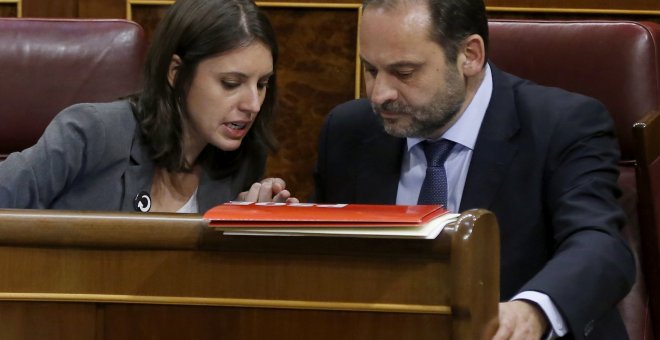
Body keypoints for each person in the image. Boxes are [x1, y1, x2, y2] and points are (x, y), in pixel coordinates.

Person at [313, 0, 635, 338]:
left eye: (403, 72)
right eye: (370, 69)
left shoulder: (560, 126)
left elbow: (599, 244)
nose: (379, 94)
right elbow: (326, 257)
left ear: (470, 55)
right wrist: (272, 220)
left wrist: (532, 311)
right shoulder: (348, 131)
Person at [0, 0, 296, 212]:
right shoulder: (90, 134)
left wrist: (245, 227)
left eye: (262, 84)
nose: (254, 105)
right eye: (231, 84)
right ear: (176, 73)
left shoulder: (242, 160)